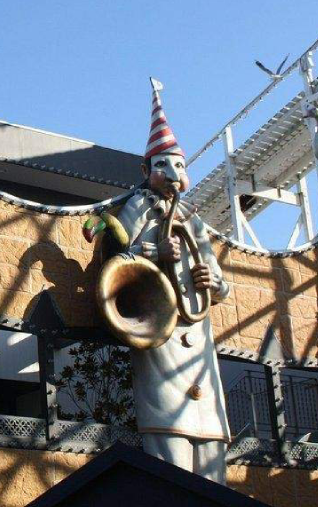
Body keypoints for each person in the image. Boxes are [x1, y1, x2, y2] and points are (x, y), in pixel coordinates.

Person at [116, 79, 230, 483]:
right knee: (171, 458)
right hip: (161, 338)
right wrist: (154, 254)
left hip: (200, 346)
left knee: (212, 456)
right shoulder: (137, 207)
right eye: (163, 164)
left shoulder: (194, 221)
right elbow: (119, 261)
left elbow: (221, 282)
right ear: (146, 169)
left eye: (180, 164)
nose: (173, 172)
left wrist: (212, 282)